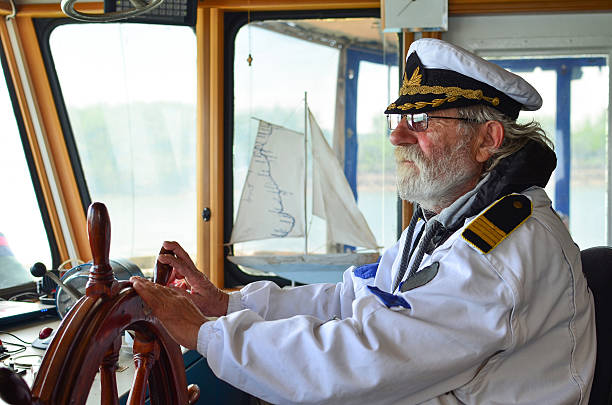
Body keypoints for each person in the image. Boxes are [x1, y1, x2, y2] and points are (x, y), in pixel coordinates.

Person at [131, 38, 596, 404]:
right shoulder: (442, 222)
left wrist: (204, 333)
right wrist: (226, 307)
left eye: (420, 119)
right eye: (398, 117)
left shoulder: (503, 253)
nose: (396, 134)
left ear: (486, 140)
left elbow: (364, 360)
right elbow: (352, 298)